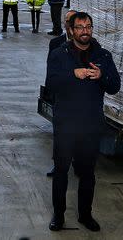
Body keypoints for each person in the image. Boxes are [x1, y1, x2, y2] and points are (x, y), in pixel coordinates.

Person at [46, 12, 120, 232]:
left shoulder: (103, 55)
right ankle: (58, 216)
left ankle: (85, 215)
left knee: (88, 173)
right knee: (61, 172)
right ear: (71, 30)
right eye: (80, 27)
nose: (85, 31)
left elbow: (115, 86)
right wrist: (73, 74)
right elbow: (51, 83)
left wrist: (102, 76)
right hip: (65, 125)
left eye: (88, 26)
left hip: (90, 126)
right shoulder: (60, 54)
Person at [44, 9, 76, 177]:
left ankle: (78, 164)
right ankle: (59, 165)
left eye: (72, 20)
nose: (68, 23)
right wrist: (50, 93)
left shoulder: (88, 44)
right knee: (60, 135)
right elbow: (51, 70)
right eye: (66, 19)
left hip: (79, 99)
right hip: (61, 97)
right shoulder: (55, 43)